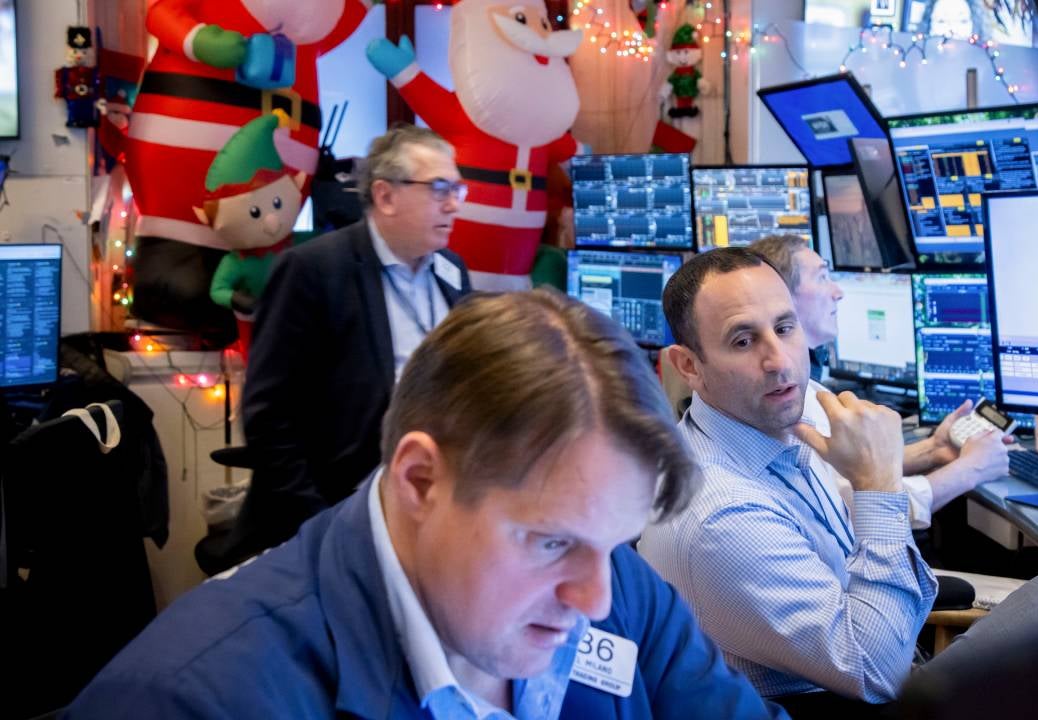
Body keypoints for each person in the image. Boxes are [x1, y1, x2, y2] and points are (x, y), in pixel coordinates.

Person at [69, 289, 786, 719]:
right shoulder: (197, 699)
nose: (596, 599)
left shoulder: (619, 588)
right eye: (549, 542)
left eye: (617, 541)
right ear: (418, 481)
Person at [639, 248, 1038, 713]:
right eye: (743, 341)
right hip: (853, 694)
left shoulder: (772, 408)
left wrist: (930, 450)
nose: (779, 361)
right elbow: (877, 674)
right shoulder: (720, 517)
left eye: (786, 328)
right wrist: (880, 485)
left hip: (870, 654)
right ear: (688, 366)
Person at [199, 124, 473, 574]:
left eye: (457, 187)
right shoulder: (315, 270)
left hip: (427, 515)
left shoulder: (452, 272)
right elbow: (268, 416)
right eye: (439, 187)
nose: (454, 203)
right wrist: (320, 524)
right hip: (334, 520)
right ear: (385, 196)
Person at [750, 234, 1011, 530]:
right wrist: (973, 468)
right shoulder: (782, 398)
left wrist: (932, 449)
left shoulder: (805, 385)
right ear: (781, 295)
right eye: (823, 277)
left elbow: (846, 469)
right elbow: (866, 506)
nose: (838, 292)